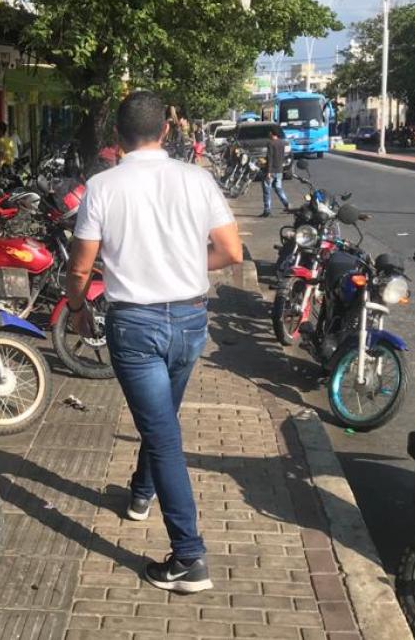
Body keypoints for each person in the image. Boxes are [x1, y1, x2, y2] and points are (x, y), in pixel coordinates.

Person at [64, 91, 244, 594]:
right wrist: (184, 264)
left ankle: (189, 558)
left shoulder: (102, 186)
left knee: (163, 436)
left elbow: (80, 267)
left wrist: (77, 309)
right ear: (166, 130)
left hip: (136, 326)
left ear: (116, 136)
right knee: (160, 421)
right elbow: (231, 251)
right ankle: (140, 495)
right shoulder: (197, 178)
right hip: (190, 320)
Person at [260, 130, 290, 218]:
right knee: (278, 188)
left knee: (267, 191)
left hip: (271, 170)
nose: (269, 134)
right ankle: (286, 204)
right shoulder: (282, 143)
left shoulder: (271, 144)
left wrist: (268, 172)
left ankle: (267, 210)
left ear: (272, 134)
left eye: (270, 133)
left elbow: (270, 158)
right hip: (279, 170)